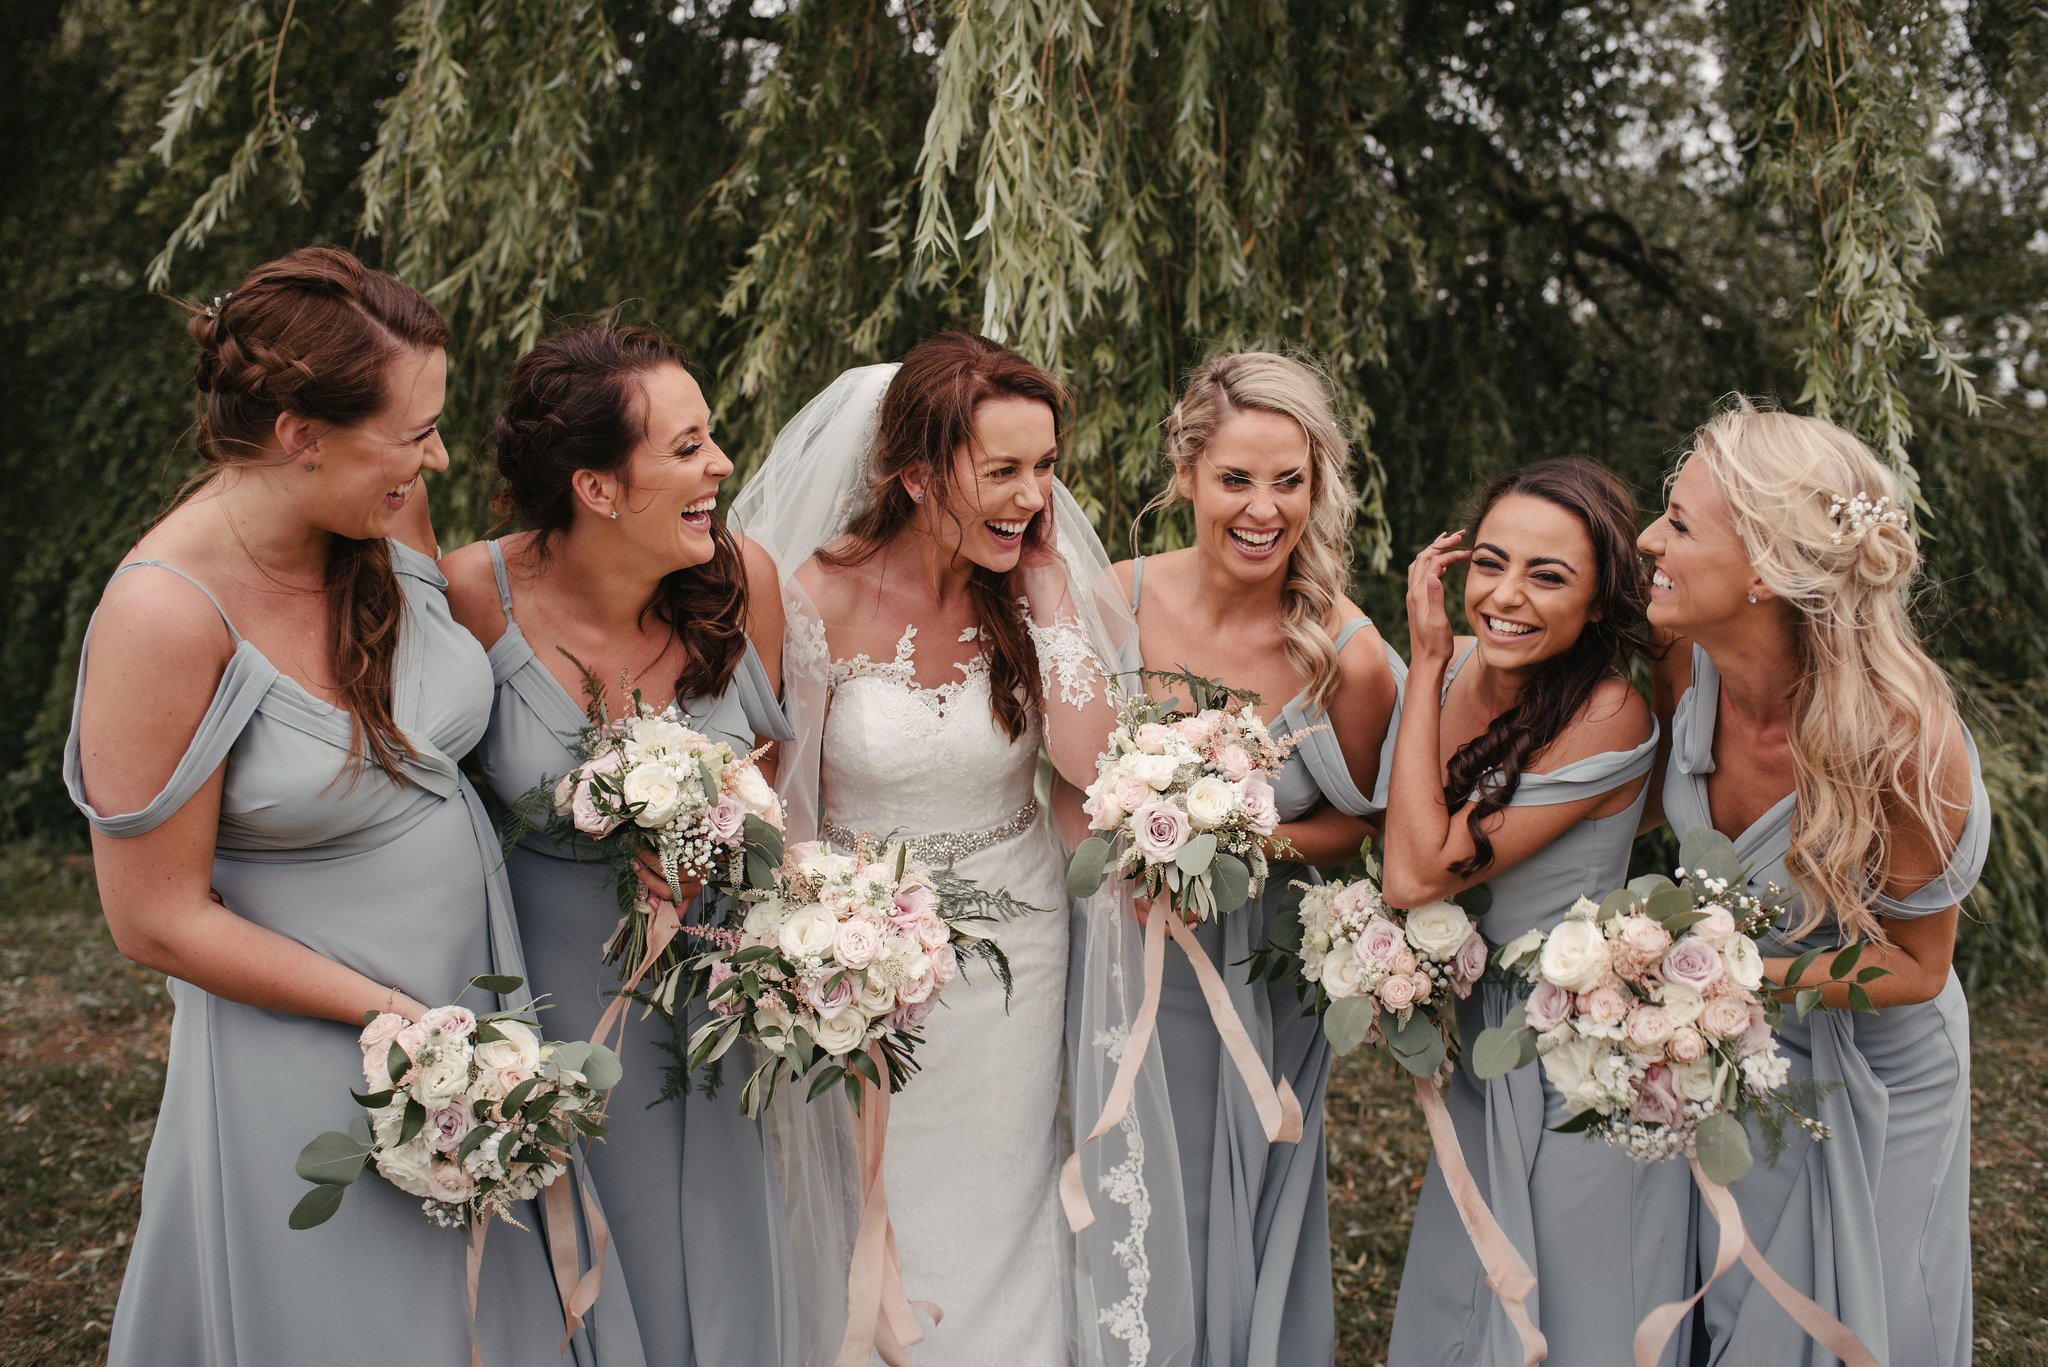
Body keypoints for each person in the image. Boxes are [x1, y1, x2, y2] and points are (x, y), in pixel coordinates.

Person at [64, 246, 642, 1366]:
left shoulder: (386, 514)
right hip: (311, 1049)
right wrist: (395, 1016)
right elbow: (153, 919)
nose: (432, 455)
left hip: (476, 1013)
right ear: (298, 434)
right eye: (410, 430)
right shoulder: (162, 616)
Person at [732, 332, 1194, 1365]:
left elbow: (1083, 763)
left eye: (1043, 466)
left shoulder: (1028, 582)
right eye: (1002, 470)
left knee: (1006, 1195)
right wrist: (825, 954)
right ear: (914, 473)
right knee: (879, 1204)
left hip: (1018, 946)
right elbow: (784, 810)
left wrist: (1044, 597)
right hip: (870, 956)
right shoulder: (816, 593)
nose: (1032, 495)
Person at [442, 321, 796, 1366]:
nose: (720, 467)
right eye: (686, 448)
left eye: (711, 440)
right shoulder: (471, 597)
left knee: (717, 1261)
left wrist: (718, 831)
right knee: (591, 1265)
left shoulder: (742, 582)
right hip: (550, 999)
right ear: (596, 488)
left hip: (708, 995)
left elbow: (764, 755)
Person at [1640, 396, 1987, 1366]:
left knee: (1862, 1318)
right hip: (1737, 1046)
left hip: (1880, 1066)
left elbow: (1915, 964)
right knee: (1740, 1299)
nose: (1645, 538)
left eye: (1675, 522)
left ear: (1761, 572)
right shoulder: (1681, 653)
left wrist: (1719, 984)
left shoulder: (1902, 741)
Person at [1110, 351, 1401, 1365]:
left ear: (1316, 488)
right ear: (1184, 472)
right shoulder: (1111, 604)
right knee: (1127, 1191)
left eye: (1289, 480)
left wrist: (1225, 834)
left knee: (1232, 1199)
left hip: (1258, 971)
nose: (1263, 508)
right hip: (1120, 955)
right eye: (1236, 477)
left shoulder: (1346, 653)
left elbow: (1367, 826)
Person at [1384, 458, 1684, 1367]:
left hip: (1577, 1054)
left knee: (1574, 1300)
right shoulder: (1470, 664)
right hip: (1491, 1034)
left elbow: (1413, 871)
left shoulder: (1611, 710)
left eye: (1547, 576)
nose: (1505, 596)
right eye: (1490, 562)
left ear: (1598, 604)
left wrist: (1426, 661)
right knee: (1468, 1287)